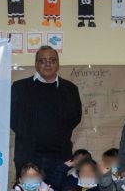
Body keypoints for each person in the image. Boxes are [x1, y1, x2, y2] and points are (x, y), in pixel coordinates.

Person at [10, 46, 82, 175]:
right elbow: (12, 119)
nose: (48, 64)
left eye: (52, 60)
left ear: (58, 64)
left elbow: (75, 118)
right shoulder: (19, 88)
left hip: (60, 157)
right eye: (43, 60)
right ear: (36, 64)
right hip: (28, 157)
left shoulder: (70, 89)